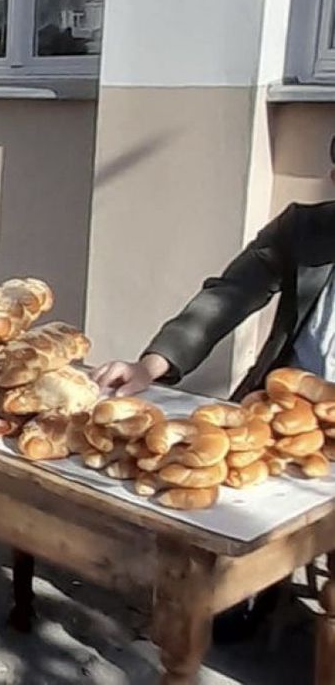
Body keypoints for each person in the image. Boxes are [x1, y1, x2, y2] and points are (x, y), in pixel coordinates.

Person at [93, 158, 335, 641]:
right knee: (217, 487)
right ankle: (250, 590)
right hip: (286, 409)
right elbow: (229, 295)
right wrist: (150, 365)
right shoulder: (307, 228)